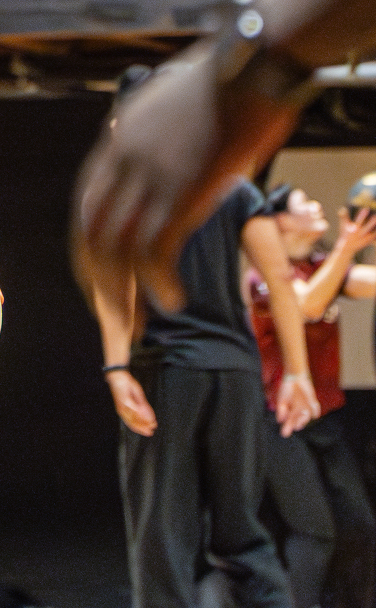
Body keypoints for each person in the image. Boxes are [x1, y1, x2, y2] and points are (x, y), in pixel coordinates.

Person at [74, 0, 376, 312]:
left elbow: (303, 304)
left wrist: (251, 60)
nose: (311, 206)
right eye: (303, 203)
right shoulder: (255, 227)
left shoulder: (248, 204)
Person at [89, 68, 318, 608]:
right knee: (243, 534)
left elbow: (113, 288)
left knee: (161, 536)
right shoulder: (234, 188)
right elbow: (281, 283)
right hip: (236, 376)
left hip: (167, 372)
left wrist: (117, 368)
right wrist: (297, 373)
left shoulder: (127, 189)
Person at [247, 184, 376, 608]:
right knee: (314, 533)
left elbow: (362, 281)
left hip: (325, 417)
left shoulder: (324, 265)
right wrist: (345, 248)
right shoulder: (265, 276)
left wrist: (347, 251)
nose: (319, 205)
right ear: (278, 221)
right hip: (277, 421)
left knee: (359, 523)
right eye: (305, 203)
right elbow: (306, 305)